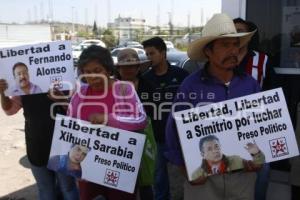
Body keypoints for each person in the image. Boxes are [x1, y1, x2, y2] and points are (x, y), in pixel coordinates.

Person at [165, 13, 262, 200]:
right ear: (208, 52)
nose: (233, 51)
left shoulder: (250, 84)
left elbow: (261, 127)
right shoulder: (190, 86)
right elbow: (173, 131)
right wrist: (186, 170)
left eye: (236, 45)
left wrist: (258, 159)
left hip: (242, 177)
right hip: (204, 181)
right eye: (225, 45)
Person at [68, 45, 147, 200]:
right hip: (88, 168)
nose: (92, 77)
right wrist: (74, 164)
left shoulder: (124, 89)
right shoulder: (79, 94)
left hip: (120, 167)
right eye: (87, 72)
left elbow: (140, 119)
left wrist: (108, 119)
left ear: (108, 70)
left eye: (97, 70)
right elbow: (70, 127)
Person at [0, 79, 79, 200]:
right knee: (45, 189)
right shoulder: (24, 86)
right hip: (36, 145)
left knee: (68, 187)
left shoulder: (66, 81)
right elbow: (10, 110)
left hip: (62, 145)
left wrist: (62, 100)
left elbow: (77, 114)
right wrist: (2, 93)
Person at [141, 36, 189, 200]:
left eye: (152, 53)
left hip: (181, 137)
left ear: (163, 53)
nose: (149, 57)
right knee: (159, 178)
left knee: (190, 174)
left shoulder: (182, 75)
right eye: (146, 54)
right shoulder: (145, 79)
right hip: (157, 137)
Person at [234, 17, 274, 200]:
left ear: (249, 36)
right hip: (227, 125)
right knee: (231, 168)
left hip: (256, 126)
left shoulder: (262, 60)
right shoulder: (222, 59)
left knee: (262, 169)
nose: (237, 35)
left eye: (241, 31)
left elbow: (273, 93)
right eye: (233, 31)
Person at [115, 48, 155, 200]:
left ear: (138, 68)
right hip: (118, 142)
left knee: (145, 182)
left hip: (145, 140)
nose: (129, 70)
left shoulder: (148, 86)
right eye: (124, 67)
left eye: (132, 66)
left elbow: (153, 112)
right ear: (118, 69)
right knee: (122, 183)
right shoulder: (111, 88)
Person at [192, 135, 265, 180]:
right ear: (202, 154)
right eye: (210, 149)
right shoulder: (197, 174)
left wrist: (256, 153)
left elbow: (256, 167)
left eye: (217, 146)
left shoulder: (235, 160)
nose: (215, 151)